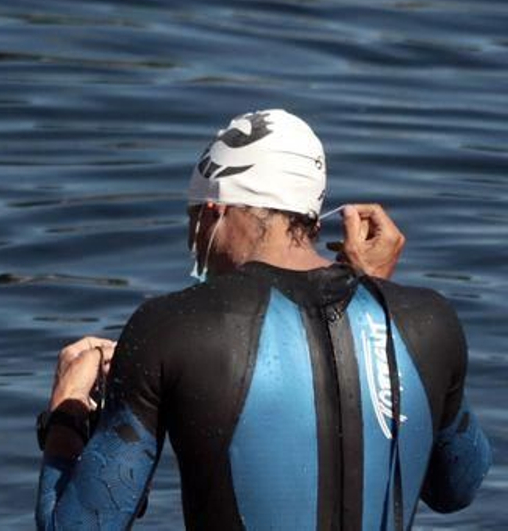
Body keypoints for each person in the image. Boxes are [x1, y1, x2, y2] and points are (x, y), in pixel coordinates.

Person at [35, 109, 492, 530]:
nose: (196, 244)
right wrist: (375, 297)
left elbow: (79, 526)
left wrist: (67, 410)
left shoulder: (171, 326)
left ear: (215, 211)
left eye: (195, 221)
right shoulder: (428, 321)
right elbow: (456, 487)